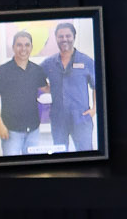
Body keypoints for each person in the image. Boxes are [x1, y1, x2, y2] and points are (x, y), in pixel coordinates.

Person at [40, 21, 96, 153]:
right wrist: (48, 88)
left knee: (85, 153)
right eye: (61, 36)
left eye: (68, 36)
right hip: (58, 118)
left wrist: (94, 109)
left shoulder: (86, 61)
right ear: (56, 38)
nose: (64, 39)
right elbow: (35, 77)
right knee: (60, 154)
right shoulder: (49, 63)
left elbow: (97, 86)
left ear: (74, 37)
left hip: (81, 118)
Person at [0, 28, 47, 157]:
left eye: (27, 45)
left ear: (31, 47)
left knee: (33, 165)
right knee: (11, 166)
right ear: (13, 47)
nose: (23, 49)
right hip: (11, 130)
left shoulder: (37, 70)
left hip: (33, 129)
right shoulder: (1, 71)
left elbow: (46, 89)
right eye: (19, 45)